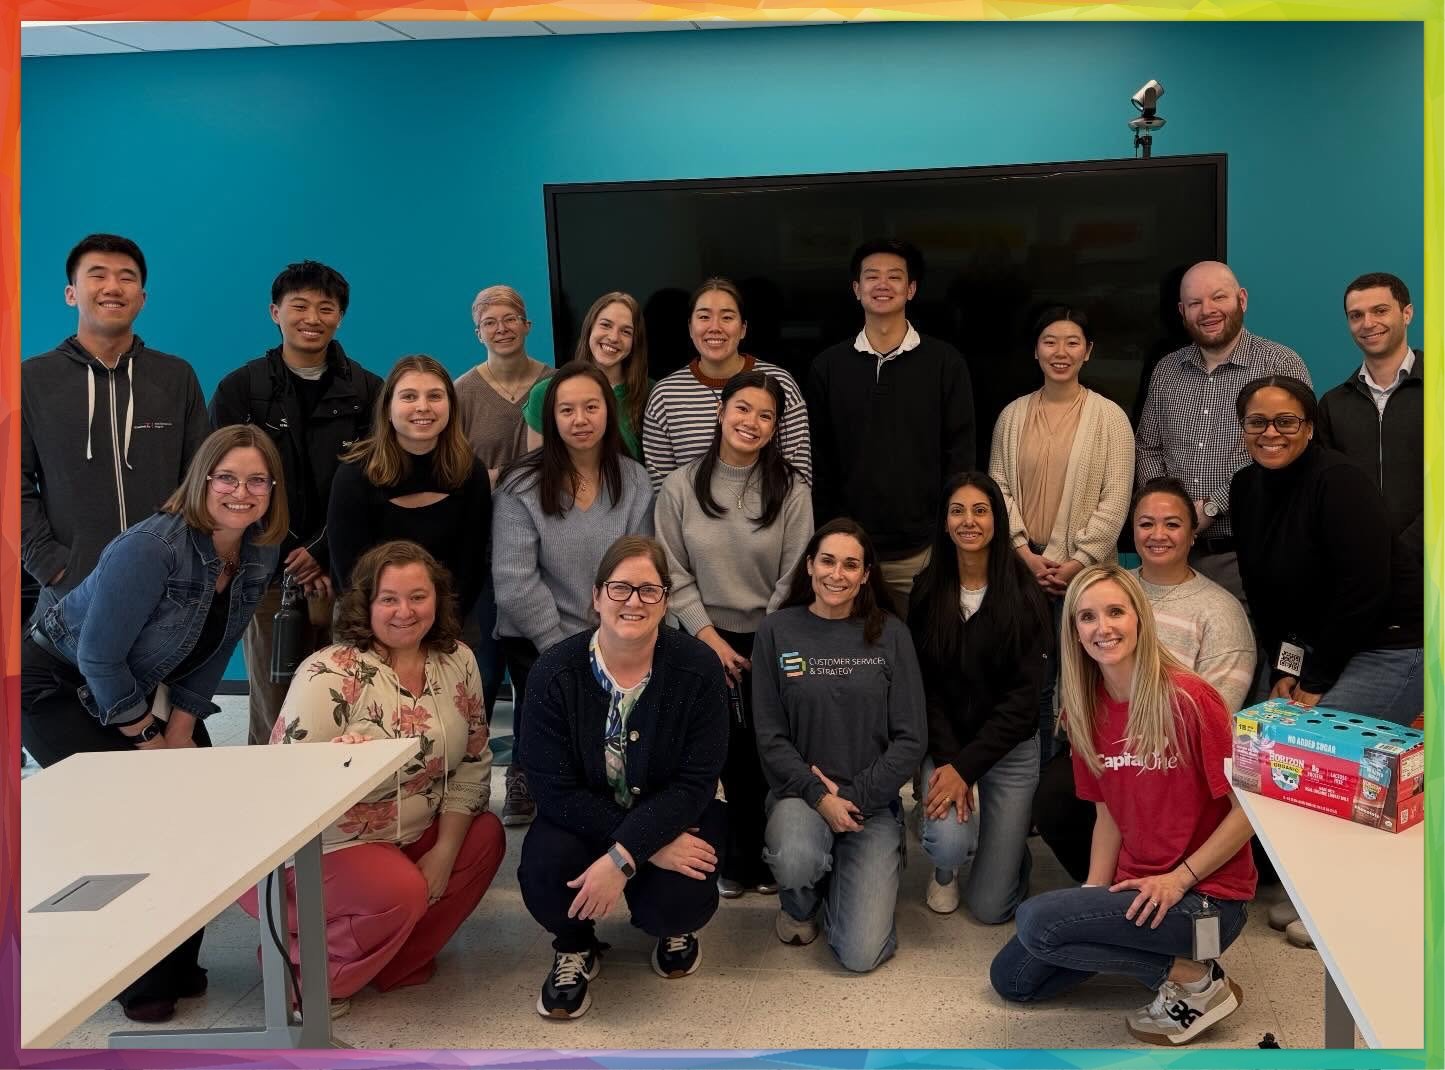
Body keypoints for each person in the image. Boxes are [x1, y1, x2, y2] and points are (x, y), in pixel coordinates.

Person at [20, 425, 287, 1022]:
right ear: (202, 481)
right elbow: (98, 658)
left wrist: (181, 732)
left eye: (257, 481)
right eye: (226, 478)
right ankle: (137, 981)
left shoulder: (258, 549)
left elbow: (219, 645)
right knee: (132, 819)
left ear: (273, 489)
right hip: (58, 685)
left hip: (144, 683)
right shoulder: (152, 547)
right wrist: (148, 739)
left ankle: (177, 961)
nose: (241, 492)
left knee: (198, 807)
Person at [991, 565, 1257, 1047]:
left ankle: (1197, 979)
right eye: (1087, 617)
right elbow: (1107, 815)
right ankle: (1162, 962)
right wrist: (1091, 899)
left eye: (1115, 611)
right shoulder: (1084, 708)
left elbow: (1249, 815)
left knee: (1036, 921)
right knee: (1012, 979)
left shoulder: (1192, 699)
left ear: (1139, 618)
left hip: (1207, 901)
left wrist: (1179, 879)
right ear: (1074, 630)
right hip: (1136, 887)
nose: (1103, 628)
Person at [242, 540, 505, 1018]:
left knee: (484, 837)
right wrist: (339, 768)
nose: (405, 611)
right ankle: (305, 978)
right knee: (398, 889)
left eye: (418, 596)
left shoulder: (459, 660)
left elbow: (473, 759)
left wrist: (445, 852)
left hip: (412, 830)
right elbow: (282, 786)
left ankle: (391, 962)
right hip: (330, 843)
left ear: (438, 599)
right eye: (389, 599)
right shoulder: (327, 673)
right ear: (365, 604)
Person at [518, 536, 728, 1019]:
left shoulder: (699, 668)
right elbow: (551, 788)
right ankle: (574, 945)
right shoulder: (553, 671)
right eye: (620, 588)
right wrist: (638, 848)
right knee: (546, 872)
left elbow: (695, 784)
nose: (634, 601)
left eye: (649, 590)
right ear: (596, 597)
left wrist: (624, 854)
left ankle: (673, 928)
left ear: (666, 602)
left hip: (678, 812)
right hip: (586, 814)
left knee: (679, 898)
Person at [1034, 476, 1256, 883]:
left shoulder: (1221, 611)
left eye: (1172, 524)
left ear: (1193, 533)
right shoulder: (1106, 588)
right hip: (1113, 740)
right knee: (1056, 793)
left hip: (1179, 751)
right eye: (1146, 523)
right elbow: (1084, 677)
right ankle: (1112, 885)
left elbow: (1217, 712)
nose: (1158, 534)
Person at [209, 259, 383, 745]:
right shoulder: (240, 390)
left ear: (340, 317)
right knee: (275, 705)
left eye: (325, 308)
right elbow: (225, 487)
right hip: (266, 570)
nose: (312, 318)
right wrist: (290, 556)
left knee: (349, 697)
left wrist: (323, 553)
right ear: (275, 312)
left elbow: (375, 484)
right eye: (299, 306)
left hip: (345, 572)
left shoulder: (368, 391)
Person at [654, 370, 813, 897]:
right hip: (701, 637)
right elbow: (672, 572)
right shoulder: (680, 486)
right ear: (721, 412)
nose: (752, 422)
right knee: (717, 752)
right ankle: (731, 858)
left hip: (772, 636)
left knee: (767, 751)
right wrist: (708, 637)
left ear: (775, 427)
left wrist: (765, 642)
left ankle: (771, 854)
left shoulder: (792, 489)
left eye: (766, 416)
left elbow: (795, 574)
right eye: (742, 409)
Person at [752, 519, 925, 973]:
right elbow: (770, 736)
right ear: (809, 565)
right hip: (800, 796)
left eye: (851, 565)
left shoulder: (891, 634)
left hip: (871, 803)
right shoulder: (776, 631)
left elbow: (911, 738)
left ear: (866, 575)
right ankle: (801, 904)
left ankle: (849, 877)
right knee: (797, 857)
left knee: (860, 955)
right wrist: (820, 797)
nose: (837, 573)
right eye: (827, 561)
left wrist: (851, 797)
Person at [493, 361, 655, 825]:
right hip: (540, 643)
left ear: (609, 412)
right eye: (566, 410)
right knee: (560, 764)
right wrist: (566, 651)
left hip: (615, 637)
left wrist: (610, 641)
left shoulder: (634, 479)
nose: (580, 419)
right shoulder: (520, 485)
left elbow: (638, 570)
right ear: (551, 418)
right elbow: (514, 580)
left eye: (591, 407)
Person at [20, 233, 209, 624]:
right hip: (70, 593)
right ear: (71, 293)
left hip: (166, 593)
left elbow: (201, 479)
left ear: (142, 298)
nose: (112, 287)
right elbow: (10, 482)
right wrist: (49, 564)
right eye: (97, 275)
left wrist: (189, 562)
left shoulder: (176, 377)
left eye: (126, 277)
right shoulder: (32, 379)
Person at [1231, 375, 1422, 723]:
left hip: (1386, 645)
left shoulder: (1340, 481)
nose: (1270, 433)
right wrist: (1284, 669)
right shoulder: (1244, 486)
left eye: (1286, 421)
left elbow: (1363, 591)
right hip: (1312, 645)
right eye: (1257, 422)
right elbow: (1263, 595)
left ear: (1309, 428)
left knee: (1301, 738)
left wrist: (1316, 678)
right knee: (1253, 736)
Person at [989, 307, 1134, 762]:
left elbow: (1116, 498)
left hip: (1085, 576)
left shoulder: (1110, 418)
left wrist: (1077, 563)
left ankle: (1077, 780)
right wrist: (1024, 554)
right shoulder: (1012, 416)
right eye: (1050, 341)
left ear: (1088, 352)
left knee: (1084, 682)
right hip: (1022, 570)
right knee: (1029, 682)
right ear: (1035, 350)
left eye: (1073, 342)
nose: (1061, 352)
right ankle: (1032, 782)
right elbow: (998, 489)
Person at [906, 473, 1051, 924]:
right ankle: (945, 868)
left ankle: (1007, 850)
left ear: (997, 520)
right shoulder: (927, 590)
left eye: (980, 510)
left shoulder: (1026, 594)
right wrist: (952, 764)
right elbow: (925, 688)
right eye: (957, 511)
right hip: (947, 745)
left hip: (1010, 749)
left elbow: (1024, 703)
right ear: (944, 522)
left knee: (991, 908)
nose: (968, 521)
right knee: (950, 841)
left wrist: (967, 770)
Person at [807, 238, 974, 606]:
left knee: (926, 640)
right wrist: (834, 536)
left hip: (924, 550)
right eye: (872, 277)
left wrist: (946, 532)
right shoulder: (828, 367)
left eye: (894, 277)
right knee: (852, 642)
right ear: (856, 288)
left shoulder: (945, 363)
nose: (882, 285)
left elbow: (960, 455)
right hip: (848, 555)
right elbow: (819, 459)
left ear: (911, 289)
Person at [1134, 261, 1312, 604]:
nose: (1207, 311)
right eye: (1195, 303)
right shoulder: (1167, 370)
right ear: (1182, 312)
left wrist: (1212, 506)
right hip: (1172, 555)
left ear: (1241, 299)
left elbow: (1287, 450)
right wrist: (1169, 512)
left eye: (1218, 297)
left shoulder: (1280, 365)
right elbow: (1148, 447)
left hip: (1249, 555)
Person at [453, 285, 555, 728]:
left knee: (539, 669)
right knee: (484, 669)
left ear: (527, 325)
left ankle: (534, 764)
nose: (501, 329)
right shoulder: (461, 393)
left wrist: (498, 476)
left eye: (510, 318)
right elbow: (453, 474)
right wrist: (493, 479)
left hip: (547, 546)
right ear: (478, 333)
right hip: (487, 549)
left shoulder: (556, 385)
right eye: (489, 322)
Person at [327, 355, 491, 625]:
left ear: (451, 406)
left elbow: (470, 567)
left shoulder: (471, 472)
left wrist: (438, 628)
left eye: (435, 396)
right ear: (387, 409)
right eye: (409, 397)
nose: (423, 407)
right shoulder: (354, 475)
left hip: (450, 622)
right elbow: (348, 574)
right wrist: (392, 630)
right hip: (365, 621)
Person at [1316, 271, 1422, 675]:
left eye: (1380, 310)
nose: (1368, 323)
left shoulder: (1439, 387)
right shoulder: (1334, 405)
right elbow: (1330, 497)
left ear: (1407, 313)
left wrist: (1402, 550)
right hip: (1368, 579)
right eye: (1356, 315)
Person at [641, 277, 811, 491]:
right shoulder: (665, 395)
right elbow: (661, 490)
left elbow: (798, 480)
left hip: (769, 512)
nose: (715, 327)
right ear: (690, 328)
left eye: (727, 317)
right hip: (689, 514)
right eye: (704, 317)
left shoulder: (780, 383)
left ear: (743, 328)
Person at [525, 291, 650, 461]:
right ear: (589, 328)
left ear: (636, 341)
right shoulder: (544, 393)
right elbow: (538, 469)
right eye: (605, 325)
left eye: (626, 331)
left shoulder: (652, 394)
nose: (614, 337)